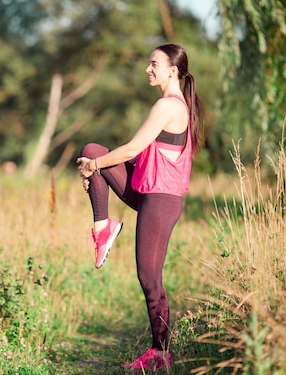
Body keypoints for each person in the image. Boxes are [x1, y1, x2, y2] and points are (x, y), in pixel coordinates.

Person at [76, 43, 204, 371]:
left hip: (161, 200)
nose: (148, 69)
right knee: (92, 148)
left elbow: (133, 147)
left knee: (150, 278)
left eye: (154, 64)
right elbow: (136, 155)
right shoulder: (169, 106)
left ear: (172, 71)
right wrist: (98, 163)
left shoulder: (169, 107)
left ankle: (160, 352)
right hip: (147, 191)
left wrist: (94, 167)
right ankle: (103, 227)